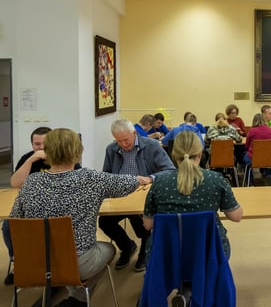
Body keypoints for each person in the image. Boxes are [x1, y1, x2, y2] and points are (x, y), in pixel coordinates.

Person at [10, 128, 143, 307]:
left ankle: (66, 289)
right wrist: (145, 179)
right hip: (78, 263)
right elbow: (130, 182)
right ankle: (78, 299)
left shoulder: (31, 182)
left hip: (34, 263)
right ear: (77, 151)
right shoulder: (91, 179)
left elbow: (15, 219)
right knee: (109, 249)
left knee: (64, 254)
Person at [143, 131, 243, 259]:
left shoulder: (159, 182)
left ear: (174, 155)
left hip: (167, 253)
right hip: (210, 251)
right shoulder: (215, 179)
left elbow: (148, 224)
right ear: (200, 154)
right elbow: (236, 216)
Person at [100, 119, 175, 272]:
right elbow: (106, 175)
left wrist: (150, 178)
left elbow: (170, 170)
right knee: (104, 222)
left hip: (145, 195)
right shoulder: (111, 149)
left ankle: (144, 253)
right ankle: (127, 246)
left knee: (145, 219)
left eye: (126, 140)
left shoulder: (152, 146)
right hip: (120, 196)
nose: (123, 144)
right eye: (119, 141)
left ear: (134, 133)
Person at [3, 127, 52, 285]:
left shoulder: (63, 156)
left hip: (55, 207)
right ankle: (20, 263)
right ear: (32, 145)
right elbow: (15, 183)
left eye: (45, 144)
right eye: (37, 144)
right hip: (30, 206)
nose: (41, 147)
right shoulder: (27, 158)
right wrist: (31, 160)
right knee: (8, 225)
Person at [243, 113, 271, 185]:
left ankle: (250, 182)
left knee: (245, 158)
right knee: (266, 158)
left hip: (254, 158)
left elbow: (247, 146)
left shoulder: (252, 131)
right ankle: (269, 175)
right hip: (270, 158)